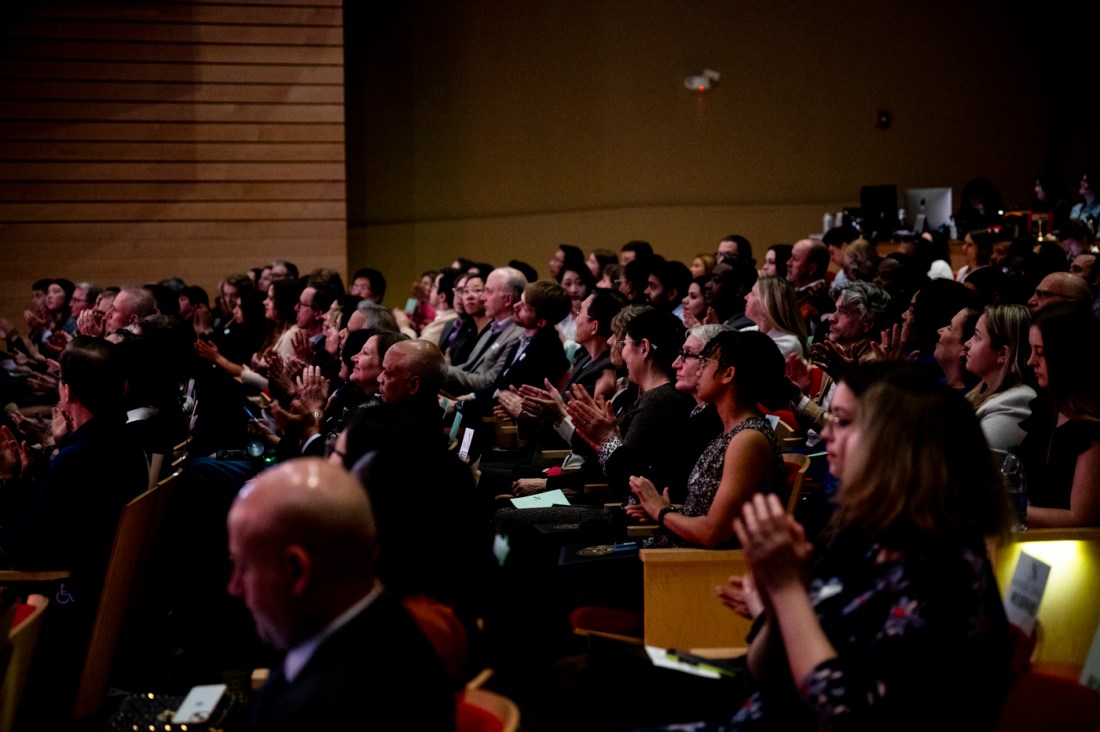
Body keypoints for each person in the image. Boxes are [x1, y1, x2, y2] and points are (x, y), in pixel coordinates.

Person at [708, 364, 1013, 731]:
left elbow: (844, 714)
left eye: (843, 421)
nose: (826, 433)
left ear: (897, 444)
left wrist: (789, 593)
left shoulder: (947, 572)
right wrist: (777, 605)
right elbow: (760, 675)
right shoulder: (861, 540)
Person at [227, 458, 455, 731]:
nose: (234, 587)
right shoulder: (391, 624)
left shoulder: (316, 715)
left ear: (297, 570)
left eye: (243, 567)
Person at [627, 329, 787, 548]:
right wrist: (672, 511)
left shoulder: (748, 440)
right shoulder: (731, 432)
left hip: (695, 568)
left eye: (705, 362)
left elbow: (713, 533)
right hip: (673, 555)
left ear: (728, 374)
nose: (699, 371)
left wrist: (661, 511)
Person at [1020, 303, 1100, 527]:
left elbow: (1080, 516)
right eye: (1031, 350)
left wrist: (1012, 509)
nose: (1030, 361)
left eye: (1041, 352)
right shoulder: (1047, 408)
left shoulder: (1090, 427)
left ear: (1067, 355)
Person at [963, 304, 1034, 455]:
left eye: (976, 337)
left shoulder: (1015, 402)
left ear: (1002, 353)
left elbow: (971, 466)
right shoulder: (984, 389)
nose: (967, 344)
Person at [743, 276, 807, 360]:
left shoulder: (787, 343)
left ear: (767, 304)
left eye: (753, 293)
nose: (746, 297)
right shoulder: (746, 331)